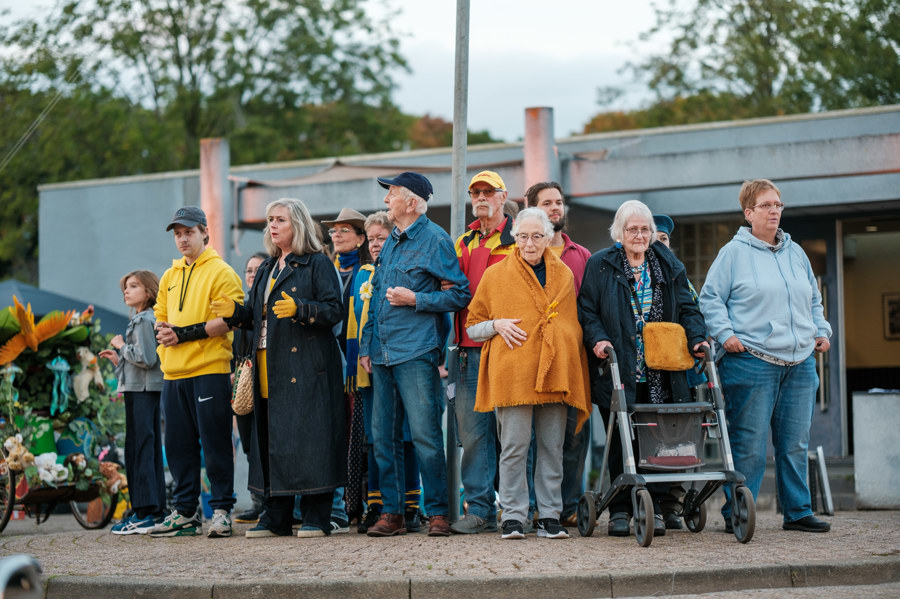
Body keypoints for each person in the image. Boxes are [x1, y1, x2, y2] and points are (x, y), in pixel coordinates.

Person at [699, 179, 832, 534]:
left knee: (794, 443)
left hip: (800, 362)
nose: (775, 211)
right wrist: (725, 335)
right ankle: (738, 513)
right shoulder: (733, 253)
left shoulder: (796, 252)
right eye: (767, 205)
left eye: (778, 205)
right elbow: (709, 298)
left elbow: (813, 298)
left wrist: (821, 330)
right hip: (752, 361)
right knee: (750, 446)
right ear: (749, 213)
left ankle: (798, 511)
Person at [212, 197, 347, 539]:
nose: (272, 226)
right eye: (270, 219)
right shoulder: (269, 268)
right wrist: (234, 312)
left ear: (297, 224)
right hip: (266, 365)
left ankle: (317, 515)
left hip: (307, 367)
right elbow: (254, 318)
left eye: (280, 220)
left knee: (310, 440)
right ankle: (276, 517)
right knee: (272, 442)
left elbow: (334, 311)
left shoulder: (317, 263)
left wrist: (302, 308)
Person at [578, 200, 707, 538]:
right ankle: (620, 510)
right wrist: (599, 340)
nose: (639, 235)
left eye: (645, 229)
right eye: (632, 229)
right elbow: (587, 311)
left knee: (661, 437)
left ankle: (659, 506)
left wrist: (697, 339)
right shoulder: (600, 264)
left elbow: (689, 307)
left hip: (661, 369)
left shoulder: (668, 264)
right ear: (619, 232)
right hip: (619, 366)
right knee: (622, 439)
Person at [465, 208, 592, 540]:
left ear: (548, 238)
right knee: (514, 447)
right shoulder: (495, 276)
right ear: (514, 238)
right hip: (513, 374)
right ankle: (514, 516)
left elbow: (569, 324)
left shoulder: (563, 274)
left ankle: (549, 515)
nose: (530, 243)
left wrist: (561, 341)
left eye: (537, 236)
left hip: (555, 373)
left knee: (552, 446)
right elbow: (472, 326)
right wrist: (496, 324)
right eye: (523, 236)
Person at [359, 171, 470, 537]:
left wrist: (416, 299)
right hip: (382, 353)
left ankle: (438, 512)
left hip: (417, 351)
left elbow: (459, 295)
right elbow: (375, 296)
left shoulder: (436, 240)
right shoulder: (391, 239)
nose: (386, 200)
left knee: (424, 435)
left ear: (411, 201)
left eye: (391, 193)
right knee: (383, 437)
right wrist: (366, 346)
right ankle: (393, 514)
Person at [148, 206, 243, 538]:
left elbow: (230, 319)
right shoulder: (170, 276)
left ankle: (221, 510)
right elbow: (160, 314)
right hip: (173, 373)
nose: (182, 239)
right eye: (177, 234)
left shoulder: (221, 272)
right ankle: (185, 512)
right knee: (177, 445)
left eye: (188, 232)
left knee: (215, 443)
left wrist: (183, 334)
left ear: (205, 232)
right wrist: (162, 332)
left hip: (209, 370)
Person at [449, 170, 516, 534]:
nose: (481, 197)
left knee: (515, 434)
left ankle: (517, 509)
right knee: (473, 434)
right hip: (467, 352)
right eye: (475, 191)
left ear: (503, 196)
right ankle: (479, 510)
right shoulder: (463, 241)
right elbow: (452, 294)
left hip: (508, 348)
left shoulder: (518, 239)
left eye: (488, 191)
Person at [525, 181, 592, 528]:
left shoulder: (581, 256)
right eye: (547, 203)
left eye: (559, 203)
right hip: (529, 362)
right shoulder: (521, 256)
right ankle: (534, 507)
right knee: (531, 438)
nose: (555, 209)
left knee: (573, 434)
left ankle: (567, 506)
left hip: (573, 360)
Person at [351, 211, 422, 533]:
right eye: (374, 239)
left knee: (408, 437)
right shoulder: (363, 274)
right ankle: (379, 504)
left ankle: (410, 504)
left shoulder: (403, 269)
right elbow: (357, 322)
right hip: (370, 368)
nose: (378, 244)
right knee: (377, 438)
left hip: (405, 362)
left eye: (384, 237)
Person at [100, 270, 166, 535]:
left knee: (139, 450)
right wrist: (119, 360)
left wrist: (120, 345)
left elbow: (147, 358)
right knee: (147, 449)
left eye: (134, 286)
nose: (127, 291)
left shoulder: (143, 320)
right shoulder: (146, 319)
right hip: (142, 389)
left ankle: (143, 513)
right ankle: (155, 511)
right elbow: (140, 363)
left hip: (142, 392)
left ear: (149, 292)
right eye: (125, 287)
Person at [321, 207, 372, 531]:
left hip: (355, 365)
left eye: (344, 230)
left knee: (358, 436)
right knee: (330, 434)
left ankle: (356, 505)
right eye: (333, 231)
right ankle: (335, 505)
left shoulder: (366, 272)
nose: (336, 235)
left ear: (360, 238)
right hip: (325, 364)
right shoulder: (324, 269)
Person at [232, 252, 269, 525]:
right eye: (249, 270)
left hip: (266, 381)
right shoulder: (242, 306)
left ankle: (272, 502)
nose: (252, 274)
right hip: (241, 382)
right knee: (247, 442)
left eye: (258, 269)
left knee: (265, 444)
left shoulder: (268, 305)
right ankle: (258, 501)